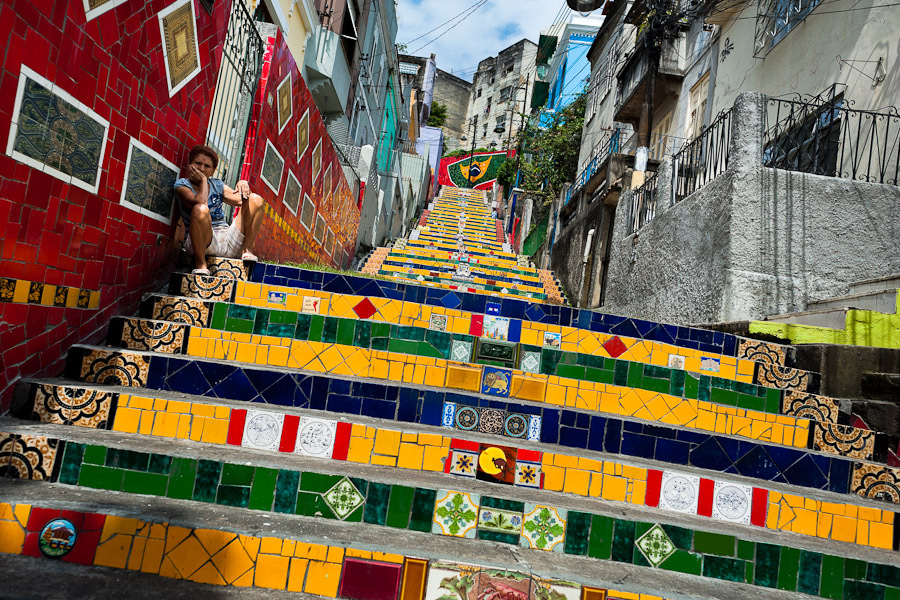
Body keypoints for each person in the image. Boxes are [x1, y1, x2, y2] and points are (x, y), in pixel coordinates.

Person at [174, 145, 265, 275]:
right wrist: (203, 181)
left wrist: (242, 183)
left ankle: (247, 251)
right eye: (198, 163)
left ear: (213, 170)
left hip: (227, 239)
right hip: (201, 242)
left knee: (255, 199)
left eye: (207, 166)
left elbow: (244, 200)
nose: (201, 168)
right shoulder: (182, 185)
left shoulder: (217, 185)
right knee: (200, 209)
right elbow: (201, 202)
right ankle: (200, 265)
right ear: (190, 165)